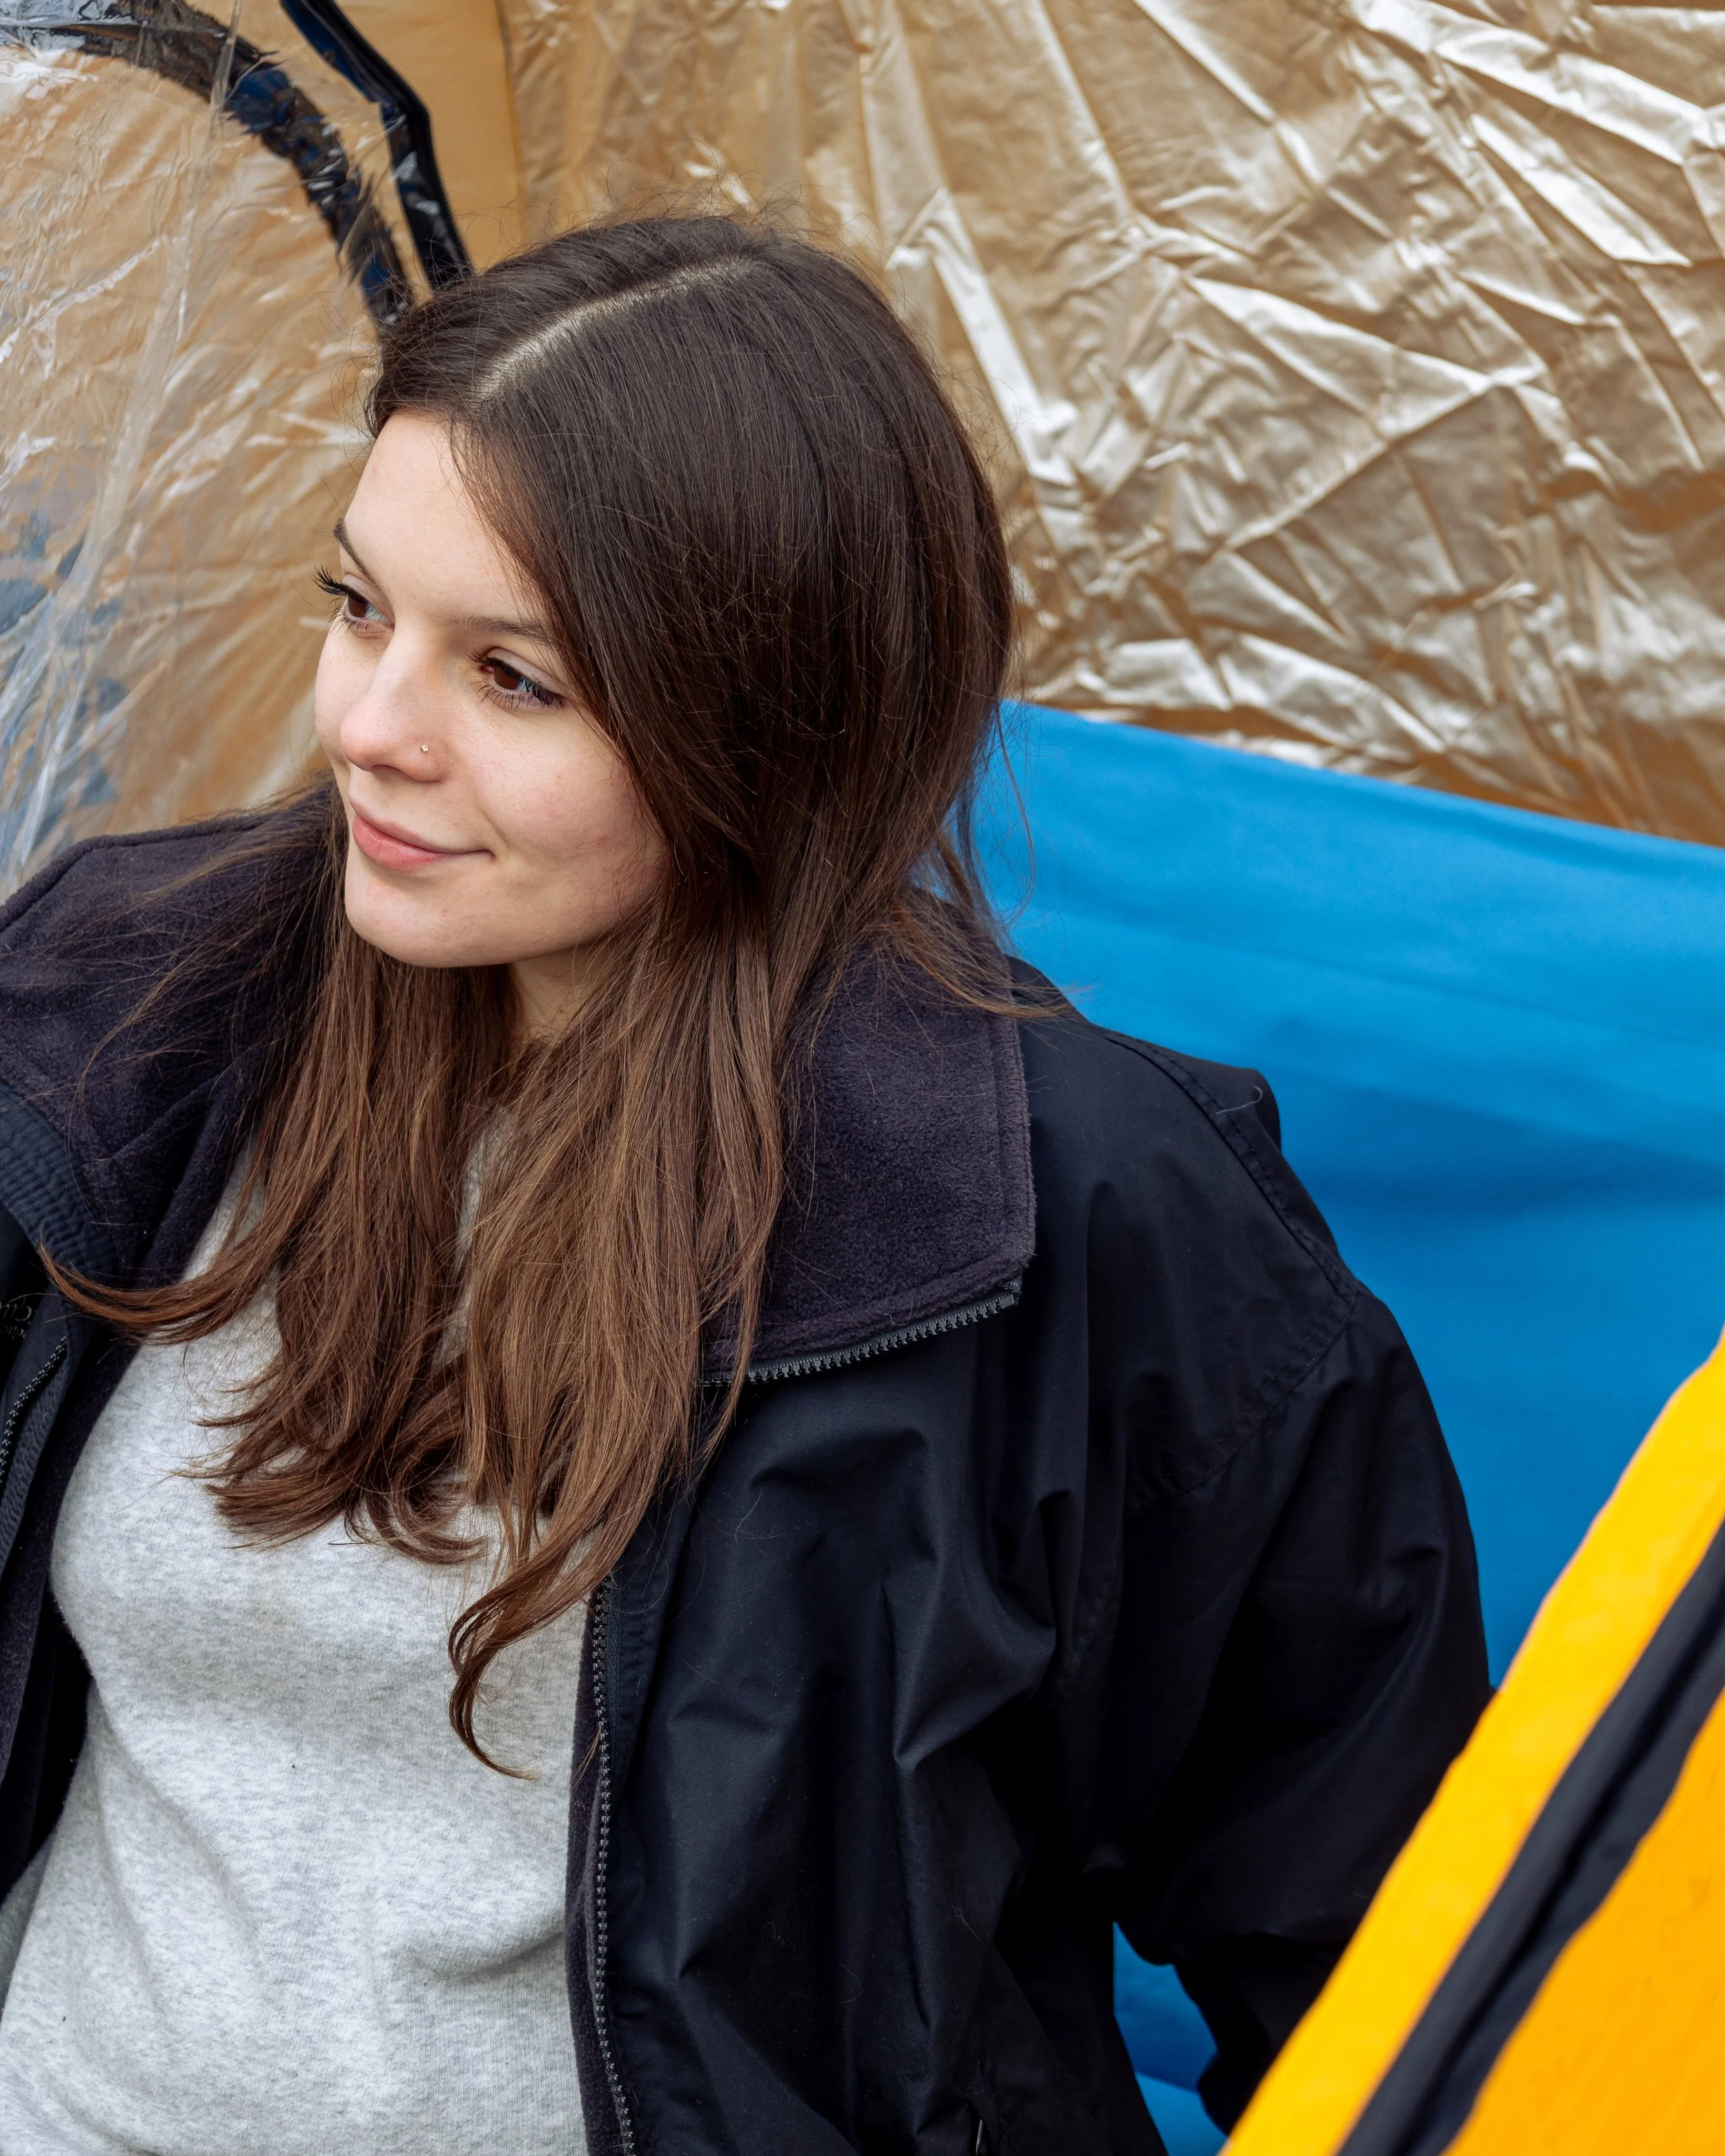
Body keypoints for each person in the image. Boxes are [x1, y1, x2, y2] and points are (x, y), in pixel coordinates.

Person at [0, 215, 1487, 2155]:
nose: (367, 726)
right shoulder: (115, 1009)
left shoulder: (1076, 1222)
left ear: (765, 713)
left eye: (511, 676)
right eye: (358, 605)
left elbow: (1386, 1963)